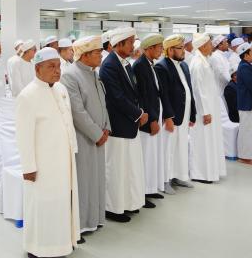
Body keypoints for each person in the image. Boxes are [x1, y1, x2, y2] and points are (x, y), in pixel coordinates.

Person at [16, 47, 80, 258]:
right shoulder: (27, 96)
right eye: (51, 67)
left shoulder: (61, 89)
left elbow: (68, 121)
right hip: (42, 164)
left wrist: (73, 149)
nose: (57, 70)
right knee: (41, 205)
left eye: (58, 66)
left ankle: (61, 244)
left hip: (63, 160)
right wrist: (28, 167)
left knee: (61, 204)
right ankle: (37, 248)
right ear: (37, 69)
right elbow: (23, 136)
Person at [61, 35, 110, 242]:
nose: (101, 56)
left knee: (96, 178)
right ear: (85, 55)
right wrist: (97, 134)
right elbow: (77, 112)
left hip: (99, 136)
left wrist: (106, 127)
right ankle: (80, 224)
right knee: (83, 180)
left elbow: (103, 103)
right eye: (98, 52)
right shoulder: (70, 75)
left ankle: (95, 218)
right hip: (84, 137)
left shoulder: (93, 72)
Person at [99, 27, 150, 224]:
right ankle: (113, 208)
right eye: (130, 42)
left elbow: (134, 93)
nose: (133, 46)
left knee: (130, 168)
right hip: (118, 126)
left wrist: (140, 111)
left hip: (130, 124)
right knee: (117, 170)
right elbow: (116, 97)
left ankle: (129, 202)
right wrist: (138, 114)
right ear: (118, 44)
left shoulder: (125, 63)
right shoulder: (109, 65)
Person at [133, 34, 174, 200]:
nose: (161, 50)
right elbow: (142, 97)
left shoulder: (150, 64)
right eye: (159, 47)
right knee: (146, 157)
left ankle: (151, 188)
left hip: (157, 115)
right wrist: (152, 120)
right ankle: (143, 193)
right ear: (149, 48)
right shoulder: (139, 66)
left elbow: (158, 92)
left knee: (153, 156)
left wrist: (165, 115)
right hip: (149, 121)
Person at [154, 35, 196, 192]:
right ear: (170, 50)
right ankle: (165, 180)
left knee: (181, 147)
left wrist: (192, 113)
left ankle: (179, 176)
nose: (184, 51)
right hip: (172, 116)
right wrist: (168, 117)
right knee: (168, 148)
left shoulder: (184, 65)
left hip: (184, 113)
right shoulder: (162, 67)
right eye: (180, 48)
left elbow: (189, 90)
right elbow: (163, 95)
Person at [189, 33, 226, 183]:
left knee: (210, 140)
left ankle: (211, 171)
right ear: (203, 46)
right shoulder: (198, 63)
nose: (212, 46)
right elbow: (198, 91)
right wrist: (205, 112)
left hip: (210, 108)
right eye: (210, 44)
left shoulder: (205, 61)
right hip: (203, 111)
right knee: (202, 141)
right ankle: (200, 174)